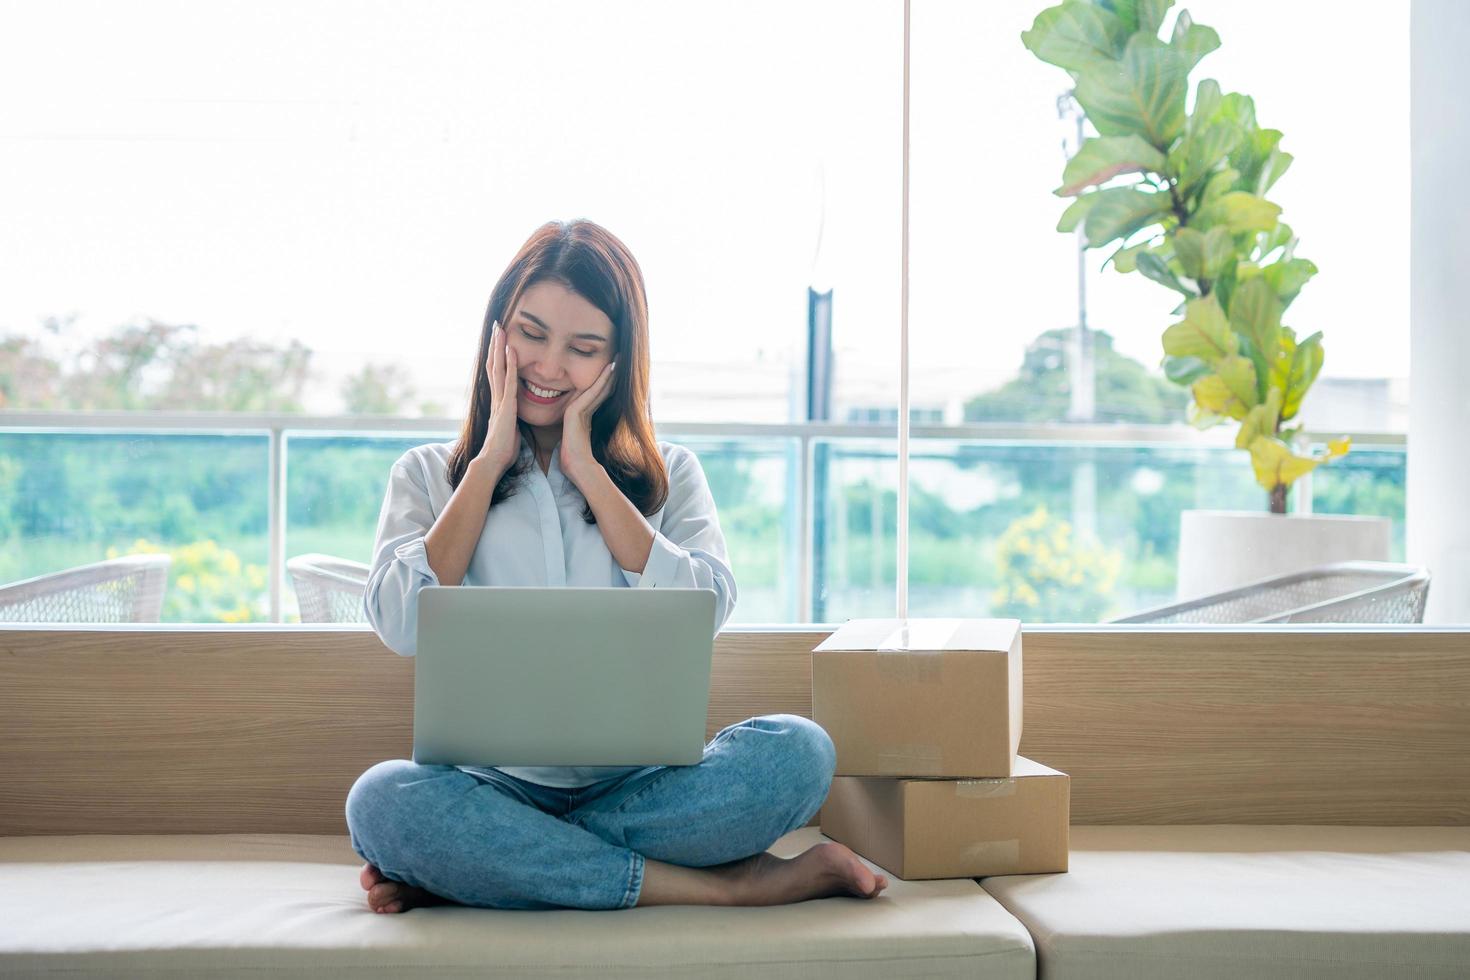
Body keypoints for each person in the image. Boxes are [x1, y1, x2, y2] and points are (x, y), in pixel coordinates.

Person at [345, 219, 888, 913]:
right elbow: (398, 623)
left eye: (583, 347)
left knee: (801, 752)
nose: (547, 366)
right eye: (531, 333)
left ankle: (508, 864)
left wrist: (589, 471)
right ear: (496, 336)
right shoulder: (428, 476)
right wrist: (486, 464)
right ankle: (719, 887)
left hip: (644, 787)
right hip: (493, 785)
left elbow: (705, 610)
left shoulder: (672, 477)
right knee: (383, 804)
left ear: (617, 361)